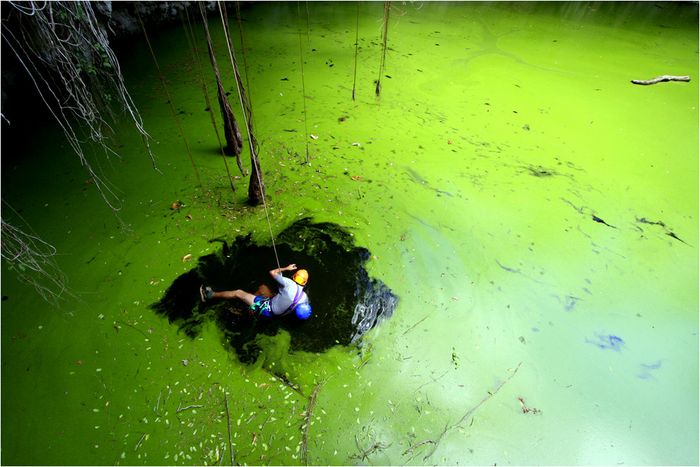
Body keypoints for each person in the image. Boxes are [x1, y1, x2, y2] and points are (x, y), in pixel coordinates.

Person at [200, 263, 312, 320]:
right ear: (304, 283)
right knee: (263, 288)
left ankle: (210, 295)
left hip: (267, 309)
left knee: (238, 293)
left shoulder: (289, 283)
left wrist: (285, 268)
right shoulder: (304, 297)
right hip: (278, 313)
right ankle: (250, 304)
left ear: (294, 276)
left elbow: (272, 272)